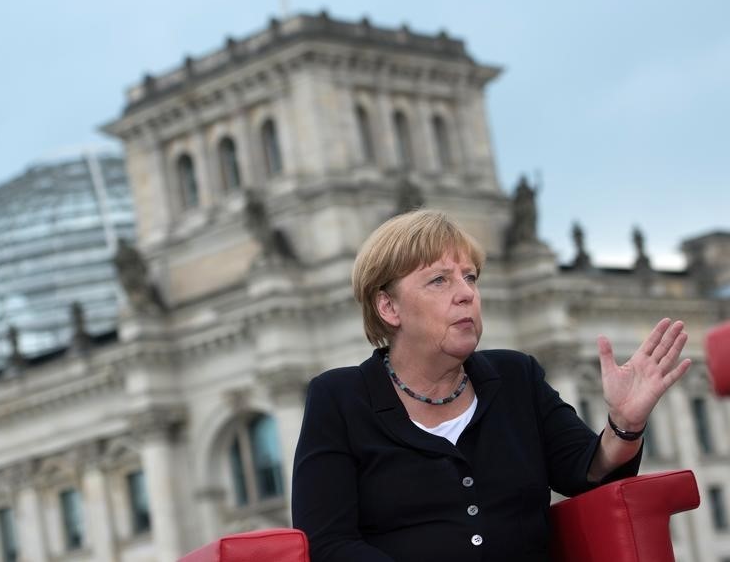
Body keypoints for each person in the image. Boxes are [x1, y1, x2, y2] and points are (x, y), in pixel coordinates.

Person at [291, 210, 690, 562]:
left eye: (470, 278)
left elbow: (587, 473)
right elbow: (329, 543)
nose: (466, 294)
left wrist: (625, 424)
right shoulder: (338, 399)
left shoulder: (517, 376)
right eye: (439, 281)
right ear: (388, 307)